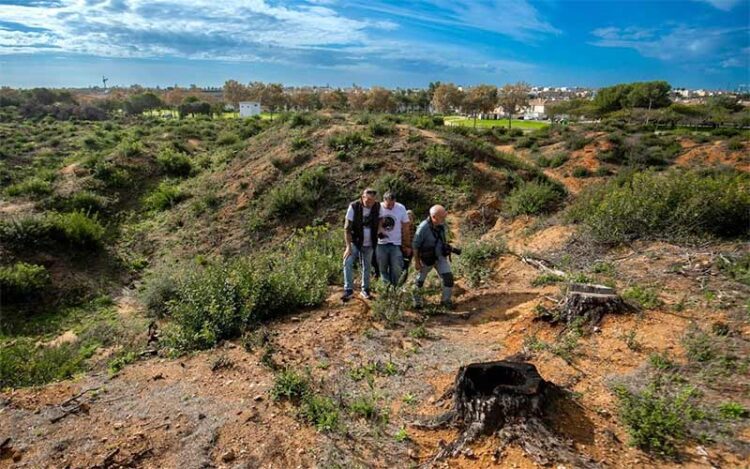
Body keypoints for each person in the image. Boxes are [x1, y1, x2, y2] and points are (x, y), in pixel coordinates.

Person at [412, 204, 454, 309]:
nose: (444, 219)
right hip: (426, 259)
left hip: (439, 257)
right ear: (433, 217)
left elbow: (443, 239)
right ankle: (417, 302)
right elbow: (415, 246)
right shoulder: (423, 227)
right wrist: (417, 262)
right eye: (442, 217)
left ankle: (445, 301)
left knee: (448, 278)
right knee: (419, 281)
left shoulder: (441, 225)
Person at [342, 188, 380, 301]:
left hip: (370, 242)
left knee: (367, 266)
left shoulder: (377, 206)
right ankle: (348, 290)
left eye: (372, 201)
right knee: (347, 262)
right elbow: (347, 228)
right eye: (368, 200)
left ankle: (365, 290)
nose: (370, 203)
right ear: (363, 197)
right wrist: (348, 247)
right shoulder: (354, 207)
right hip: (356, 241)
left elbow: (382, 218)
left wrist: (380, 229)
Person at [376, 191, 412, 287]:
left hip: (396, 243)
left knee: (396, 268)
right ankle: (387, 290)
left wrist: (407, 245)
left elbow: (405, 227)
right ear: (384, 200)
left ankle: (395, 288)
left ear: (395, 201)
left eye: (392, 204)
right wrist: (379, 229)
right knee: (382, 268)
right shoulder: (378, 207)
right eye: (388, 205)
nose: (391, 207)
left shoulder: (400, 208)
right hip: (381, 243)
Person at [400, 209, 418, 284]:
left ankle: (402, 284)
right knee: (399, 268)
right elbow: (398, 239)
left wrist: (411, 249)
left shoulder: (415, 228)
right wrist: (404, 248)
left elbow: (416, 241)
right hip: (400, 250)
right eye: (407, 218)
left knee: (406, 268)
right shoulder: (400, 228)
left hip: (410, 251)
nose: (408, 220)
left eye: (410, 218)